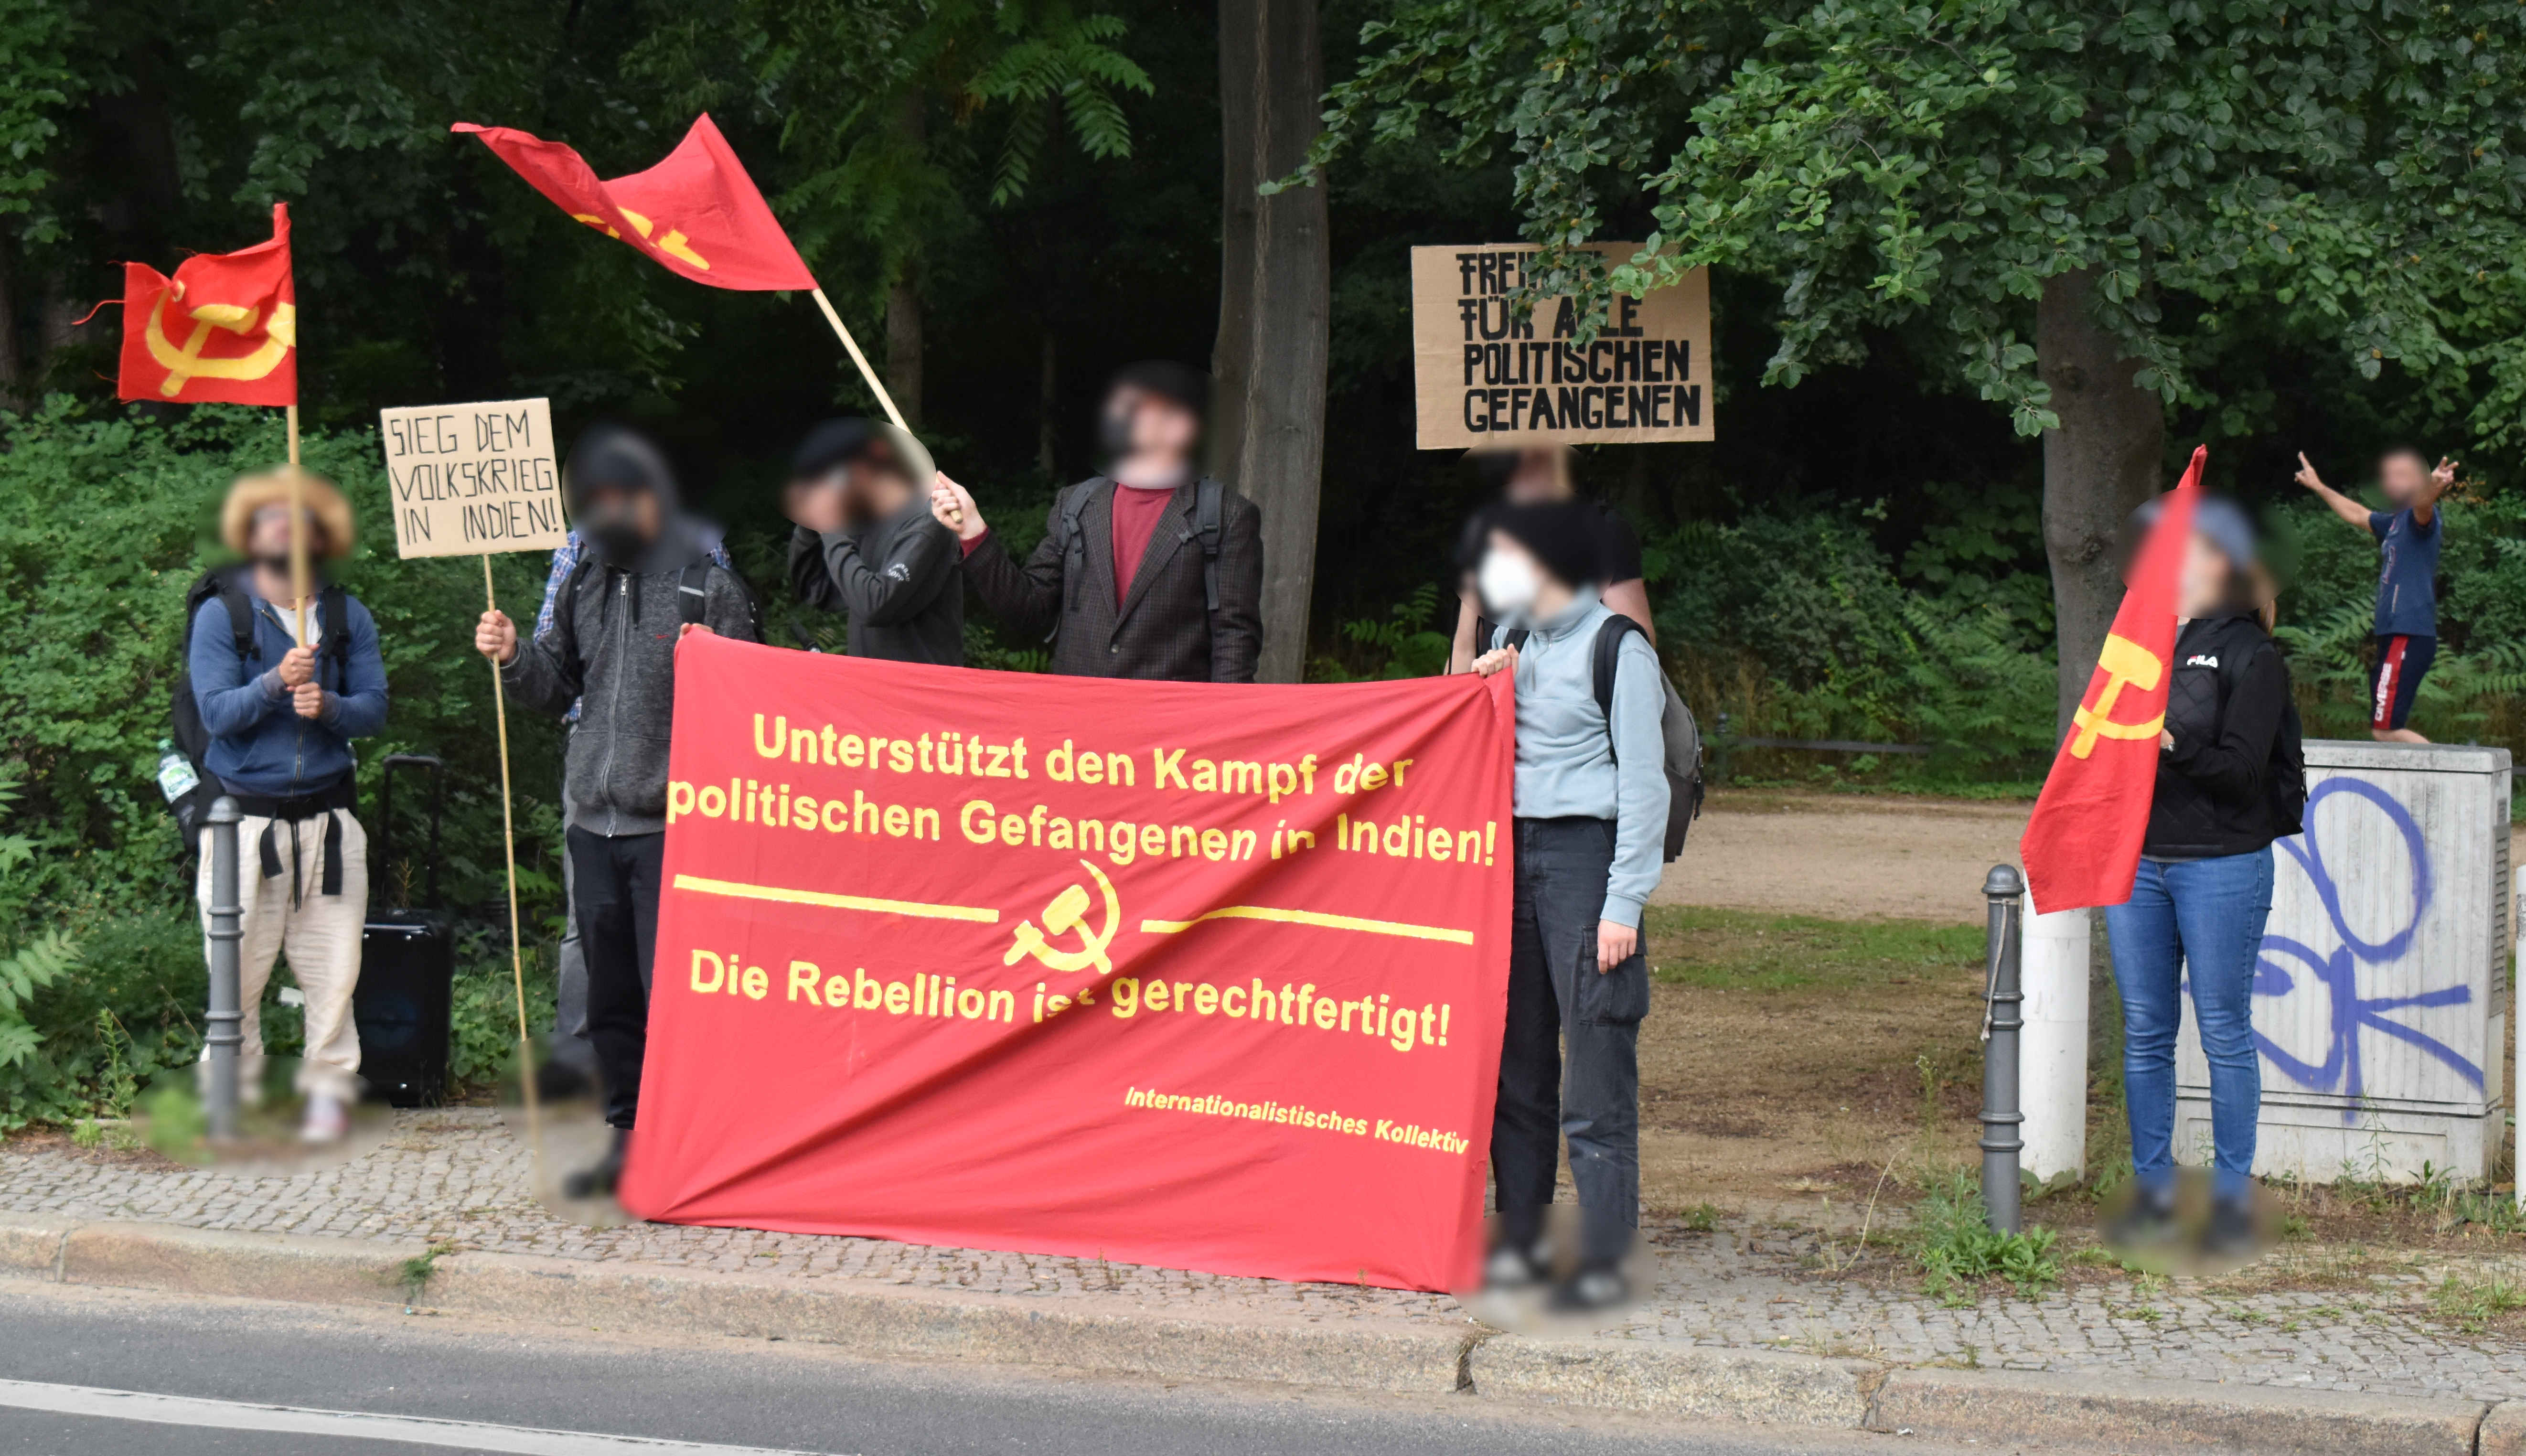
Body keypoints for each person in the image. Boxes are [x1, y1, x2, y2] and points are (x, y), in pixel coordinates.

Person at [474, 425, 759, 1195]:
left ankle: (691, 1147)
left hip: (672, 826)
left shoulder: (710, 584)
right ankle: (630, 1140)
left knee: (677, 996)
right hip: (591, 823)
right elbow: (555, 688)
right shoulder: (583, 580)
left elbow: (753, 711)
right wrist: (511, 657)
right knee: (612, 1002)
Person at [1466, 500, 1668, 1311]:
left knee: (1594, 1078)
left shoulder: (1620, 649)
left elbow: (1643, 786)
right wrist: (1479, 695)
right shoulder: (1506, 640)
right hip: (1509, 865)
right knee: (1517, 1076)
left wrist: (1623, 903)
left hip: (1587, 863)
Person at [2102, 496, 2300, 1259]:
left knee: (2222, 1032)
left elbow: (2244, 776)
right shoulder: (2142, 646)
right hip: (2139, 868)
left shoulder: (2255, 656)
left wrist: (2168, 743)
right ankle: (2152, 1190)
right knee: (2147, 1033)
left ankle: (2229, 1200)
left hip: (2222, 867)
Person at [188, 469, 389, 1142]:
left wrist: (329, 706)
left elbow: (374, 711)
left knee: (334, 971)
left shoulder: (344, 614)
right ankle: (231, 1095)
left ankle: (330, 1094)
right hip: (243, 822)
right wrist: (277, 681)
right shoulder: (225, 615)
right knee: (236, 970)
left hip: (328, 825)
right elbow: (217, 714)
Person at [531, 523, 731, 1090]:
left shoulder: (703, 550)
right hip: (594, 776)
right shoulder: (580, 552)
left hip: (671, 790)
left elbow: (732, 671)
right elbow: (553, 666)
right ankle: (592, 1077)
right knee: (588, 935)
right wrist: (512, 657)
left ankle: (675, 1091)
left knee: (669, 950)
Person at [927, 361, 1264, 682]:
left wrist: (1223, 732)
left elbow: (1235, 639)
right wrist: (972, 531)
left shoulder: (1226, 514)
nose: (1156, 419)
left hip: (1170, 730)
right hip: (1080, 723)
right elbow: (1030, 610)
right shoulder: (1076, 503)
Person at [2292, 447, 2457, 743]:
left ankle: (2454, 784)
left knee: (2385, 731)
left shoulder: (2421, 520)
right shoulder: (2394, 523)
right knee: (2385, 729)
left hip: (2406, 632)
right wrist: (2318, 486)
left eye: (2402, 475)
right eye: (2389, 476)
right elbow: (2357, 513)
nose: (2392, 481)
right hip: (2395, 635)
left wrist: (2433, 487)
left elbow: (2424, 506)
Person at [1449, 445, 1655, 674]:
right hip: (1502, 695)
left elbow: (1637, 643)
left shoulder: (1601, 529)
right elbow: (1464, 648)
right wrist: (1453, 706)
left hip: (1579, 699)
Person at [784, 418, 963, 664]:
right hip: (872, 689)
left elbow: (875, 605)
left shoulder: (929, 519)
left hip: (920, 692)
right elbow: (817, 590)